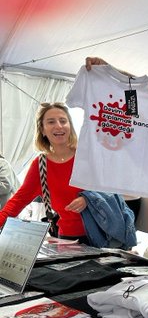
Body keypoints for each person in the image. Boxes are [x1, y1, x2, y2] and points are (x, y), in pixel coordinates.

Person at [0, 103, 89, 243]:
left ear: (70, 126)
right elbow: (18, 200)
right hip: (67, 239)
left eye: (63, 121)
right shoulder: (40, 165)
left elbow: (111, 189)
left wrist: (88, 198)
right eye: (51, 122)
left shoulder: (87, 156)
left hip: (103, 234)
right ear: (42, 129)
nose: (59, 126)